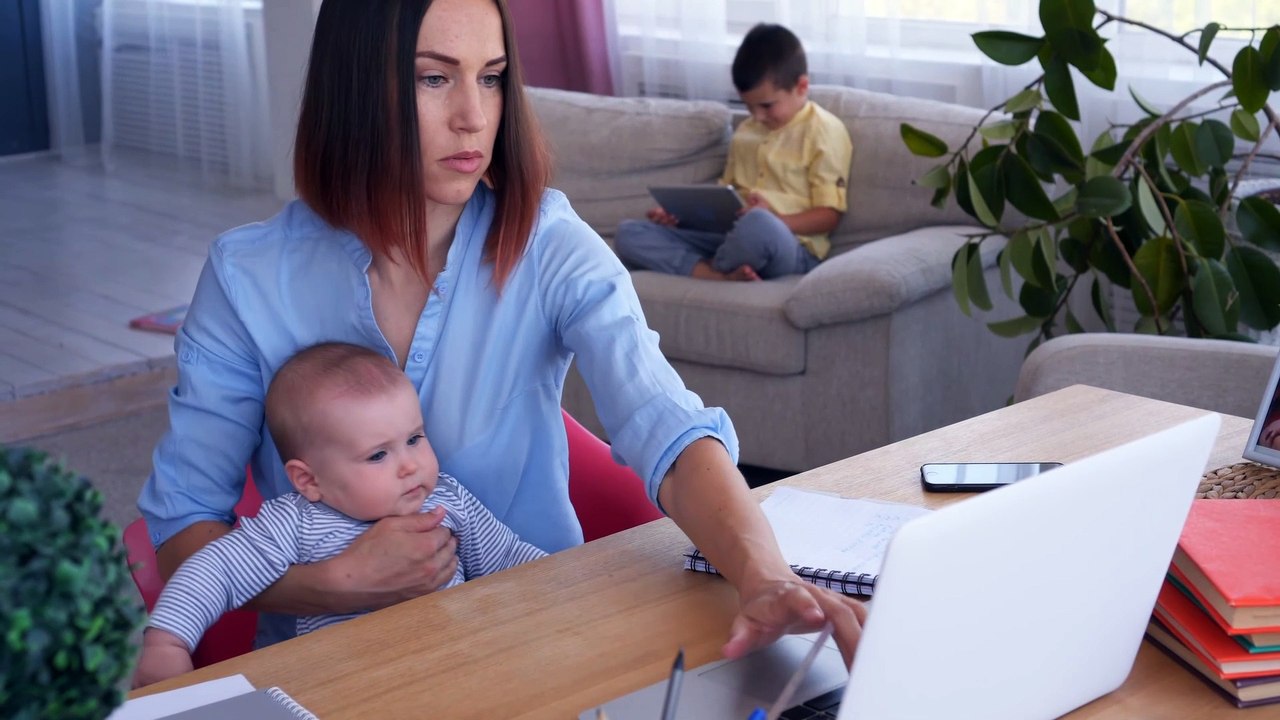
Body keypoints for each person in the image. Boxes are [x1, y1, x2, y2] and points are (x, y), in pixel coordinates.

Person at [137, 0, 867, 669]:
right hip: (333, 675)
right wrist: (333, 585)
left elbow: (668, 429)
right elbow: (184, 526)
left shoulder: (549, 241)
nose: (472, 117)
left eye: (491, 79)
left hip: (536, 641)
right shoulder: (247, 276)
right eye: (433, 79)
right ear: (355, 88)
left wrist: (765, 575)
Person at [132, 343, 546, 687]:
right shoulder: (295, 524)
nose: (410, 465)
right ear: (309, 481)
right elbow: (215, 572)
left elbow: (513, 561)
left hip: (463, 674)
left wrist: (569, 588)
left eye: (415, 439)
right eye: (378, 454)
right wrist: (166, 643)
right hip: (344, 690)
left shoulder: (447, 501)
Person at [613, 23, 853, 282]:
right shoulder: (746, 132)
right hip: (729, 236)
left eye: (766, 105)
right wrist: (681, 219)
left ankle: (709, 265)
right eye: (749, 107)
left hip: (789, 244)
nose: (757, 116)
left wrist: (775, 218)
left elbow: (829, 216)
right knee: (629, 233)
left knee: (758, 225)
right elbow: (726, 198)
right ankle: (718, 273)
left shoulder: (824, 131)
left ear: (802, 87)